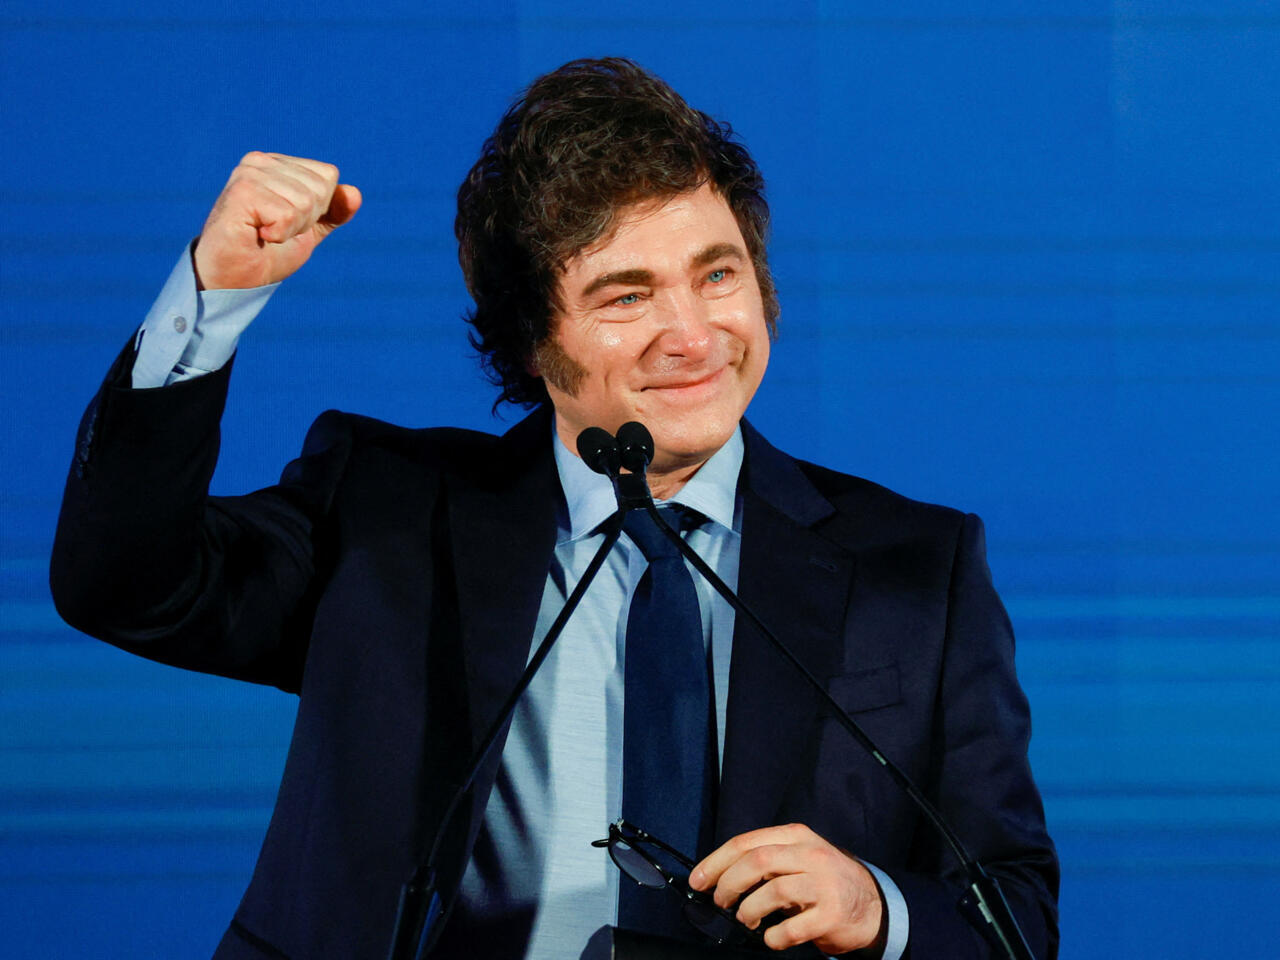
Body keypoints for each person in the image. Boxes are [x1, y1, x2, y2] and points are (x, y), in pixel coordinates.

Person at [51, 58, 1058, 960]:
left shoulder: (916, 566)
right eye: (626, 296)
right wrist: (214, 295)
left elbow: (1015, 915)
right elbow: (126, 584)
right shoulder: (386, 512)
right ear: (532, 341)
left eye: (717, 275)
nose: (692, 335)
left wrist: (879, 908)